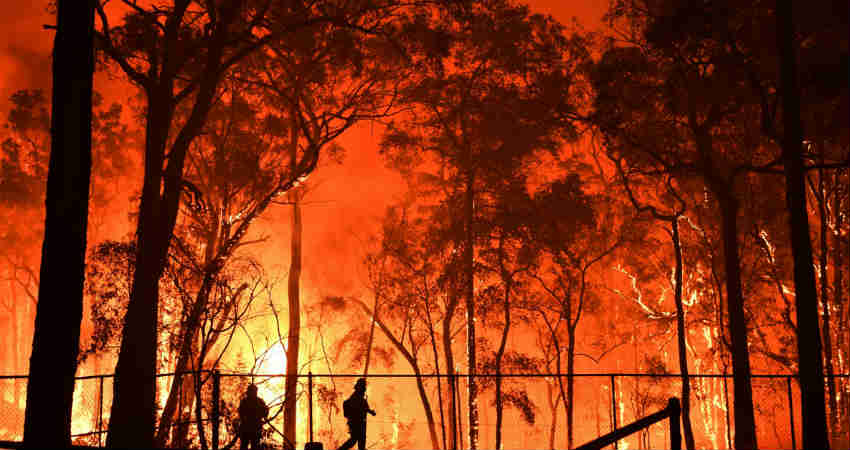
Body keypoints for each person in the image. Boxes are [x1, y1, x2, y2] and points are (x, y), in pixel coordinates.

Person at [337, 378, 376, 450]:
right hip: (357, 423)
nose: (364, 389)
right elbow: (363, 407)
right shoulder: (357, 397)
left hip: (358, 422)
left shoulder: (358, 397)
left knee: (358, 440)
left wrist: (370, 411)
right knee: (355, 440)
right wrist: (371, 412)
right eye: (363, 387)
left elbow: (364, 407)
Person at [238, 384, 269, 450]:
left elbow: (265, 413)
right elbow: (241, 414)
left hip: (253, 428)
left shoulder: (258, 401)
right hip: (248, 428)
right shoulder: (246, 401)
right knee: (246, 446)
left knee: (253, 445)